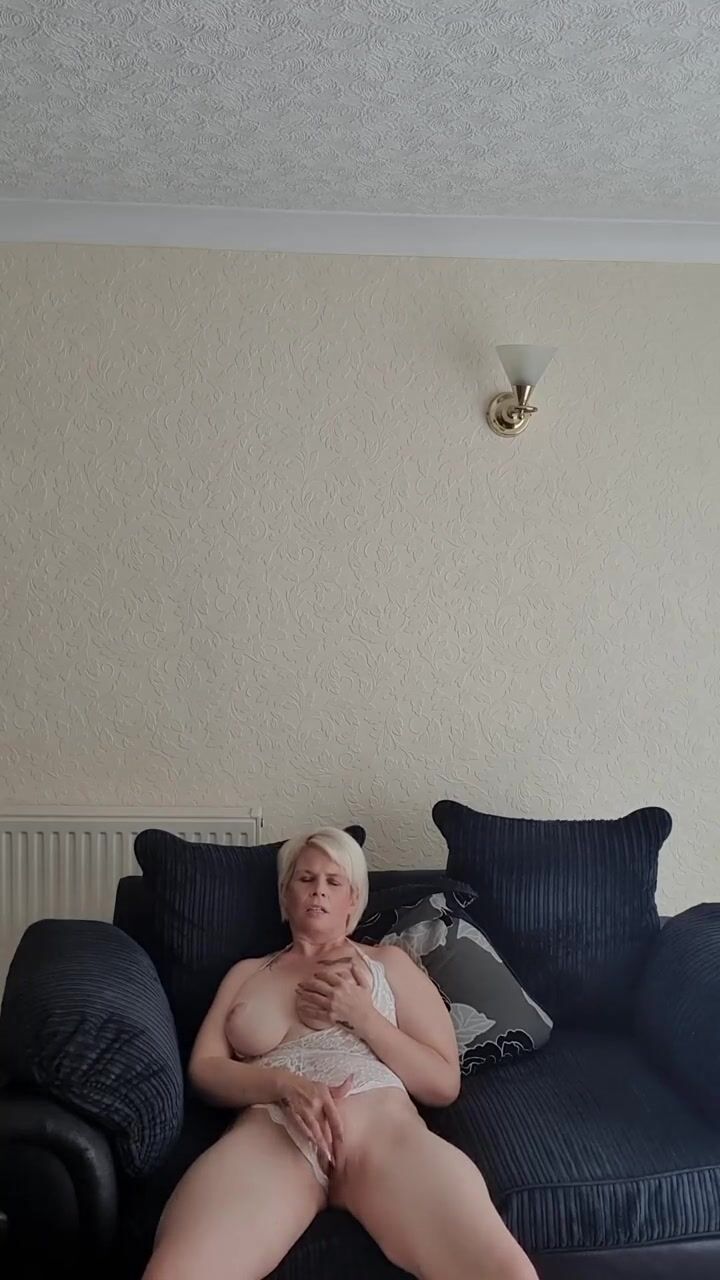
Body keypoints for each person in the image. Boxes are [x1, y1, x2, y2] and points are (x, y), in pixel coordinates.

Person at [143, 827, 538, 1280]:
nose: (318, 891)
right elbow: (205, 1070)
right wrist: (283, 1084)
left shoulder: (389, 963)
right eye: (306, 879)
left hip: (383, 1134)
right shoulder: (246, 973)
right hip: (273, 1134)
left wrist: (362, 1017)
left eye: (334, 882)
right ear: (285, 894)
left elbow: (443, 1083)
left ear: (354, 900)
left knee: (506, 1273)